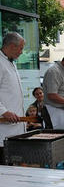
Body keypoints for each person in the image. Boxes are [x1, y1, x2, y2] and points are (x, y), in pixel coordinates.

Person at [0, 32, 26, 164]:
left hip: (15, 130)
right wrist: (3, 111)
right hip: (3, 131)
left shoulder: (10, 63)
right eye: (20, 48)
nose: (21, 52)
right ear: (11, 46)